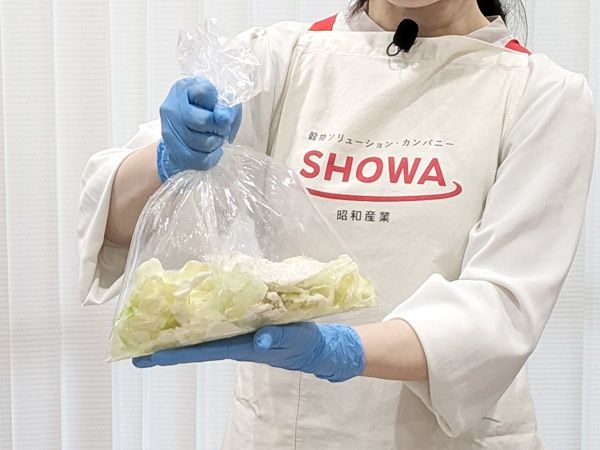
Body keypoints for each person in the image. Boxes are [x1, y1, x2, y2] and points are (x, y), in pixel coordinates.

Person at [78, 0, 596, 448]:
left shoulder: (542, 93)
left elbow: (502, 307)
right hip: (281, 432)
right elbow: (122, 229)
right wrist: (169, 159)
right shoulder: (277, 61)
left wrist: (342, 350)